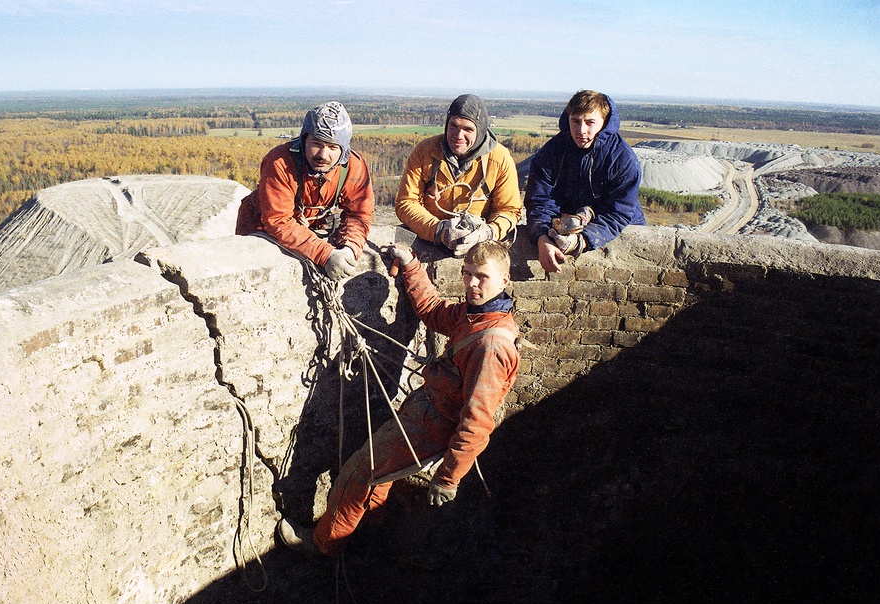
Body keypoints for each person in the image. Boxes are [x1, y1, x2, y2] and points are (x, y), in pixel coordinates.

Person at [276, 240, 520, 557]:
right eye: (467, 273)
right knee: (379, 473)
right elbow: (433, 310)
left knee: (358, 473)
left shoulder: (491, 345)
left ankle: (325, 545)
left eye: (482, 277)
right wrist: (411, 265)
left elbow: (477, 422)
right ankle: (370, 530)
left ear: (504, 280)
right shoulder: (477, 314)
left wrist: (448, 478)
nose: (472, 284)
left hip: (435, 427)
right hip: (427, 412)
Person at [236, 101, 373, 282]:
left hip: (308, 227)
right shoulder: (280, 162)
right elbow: (278, 220)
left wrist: (349, 248)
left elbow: (359, 213)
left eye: (332, 147)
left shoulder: (353, 167)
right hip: (259, 226)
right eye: (316, 143)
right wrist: (325, 254)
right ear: (303, 141)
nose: (323, 155)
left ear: (343, 151)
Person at [525, 89, 645, 274]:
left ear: (604, 123)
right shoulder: (552, 152)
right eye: (575, 121)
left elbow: (618, 212)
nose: (581, 130)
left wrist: (584, 240)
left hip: (617, 231)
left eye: (590, 122)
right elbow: (540, 200)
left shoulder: (622, 159)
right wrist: (542, 237)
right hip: (566, 226)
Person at [395, 94, 522, 257]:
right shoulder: (425, 152)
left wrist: (488, 233)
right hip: (427, 240)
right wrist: (439, 230)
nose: (458, 135)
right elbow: (406, 202)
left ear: (481, 130)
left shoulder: (499, 159)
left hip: (479, 247)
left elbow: (509, 210)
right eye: (453, 126)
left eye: (468, 129)